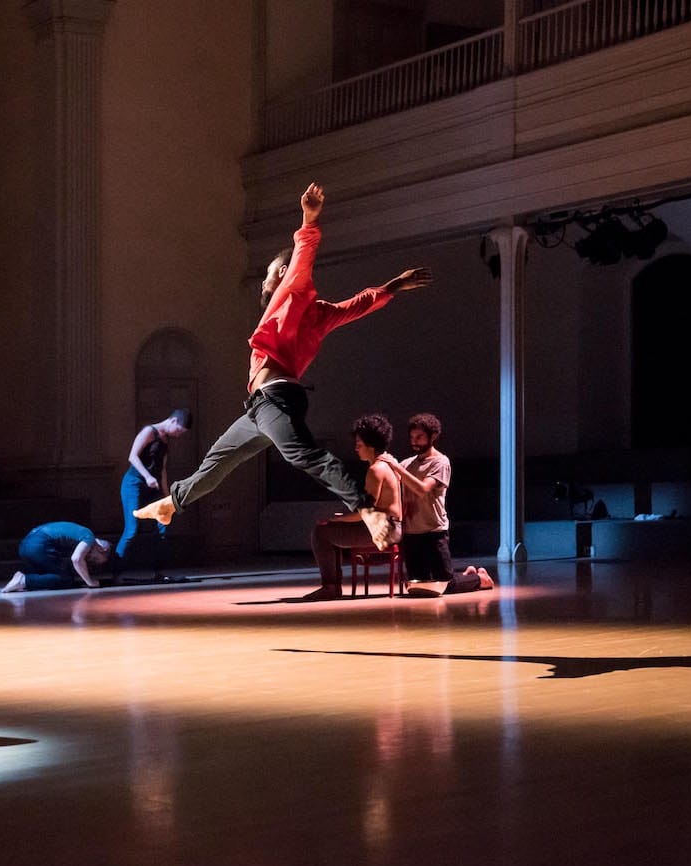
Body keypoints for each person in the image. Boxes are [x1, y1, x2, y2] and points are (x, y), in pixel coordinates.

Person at [134, 183, 431, 549]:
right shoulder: (319, 314)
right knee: (219, 460)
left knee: (305, 455)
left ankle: (367, 509)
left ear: (285, 273)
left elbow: (304, 254)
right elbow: (358, 304)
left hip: (276, 399)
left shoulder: (293, 290)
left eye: (271, 272)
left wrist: (308, 218)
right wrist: (393, 286)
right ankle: (172, 503)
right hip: (259, 409)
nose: (265, 280)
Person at [379, 412, 493, 597]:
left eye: (419, 437)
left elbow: (424, 489)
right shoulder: (407, 463)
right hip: (411, 533)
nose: (414, 441)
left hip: (434, 531)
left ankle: (480, 579)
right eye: (412, 437)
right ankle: (468, 575)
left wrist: (397, 468)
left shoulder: (440, 462)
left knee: (446, 585)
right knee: (419, 585)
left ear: (433, 436)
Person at [303, 415, 404, 600]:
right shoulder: (388, 463)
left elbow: (366, 513)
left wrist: (337, 519)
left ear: (370, 446)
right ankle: (332, 585)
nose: (356, 448)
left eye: (359, 444)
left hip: (384, 530)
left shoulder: (376, 470)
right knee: (330, 528)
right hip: (390, 526)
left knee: (321, 532)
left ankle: (330, 586)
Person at [116, 409, 193, 579]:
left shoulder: (166, 441)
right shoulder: (149, 432)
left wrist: (167, 497)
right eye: (179, 430)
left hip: (153, 485)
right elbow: (132, 457)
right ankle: (116, 572)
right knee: (132, 530)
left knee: (162, 527)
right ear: (173, 421)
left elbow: (162, 470)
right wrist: (147, 476)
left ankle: (158, 572)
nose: (178, 435)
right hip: (134, 484)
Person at [2, 522, 113, 592]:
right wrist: (90, 583)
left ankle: (24, 580)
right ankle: (23, 580)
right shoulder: (89, 537)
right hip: (39, 545)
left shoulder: (79, 537)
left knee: (46, 577)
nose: (90, 559)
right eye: (95, 558)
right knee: (65, 579)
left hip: (25, 545)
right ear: (101, 549)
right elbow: (76, 559)